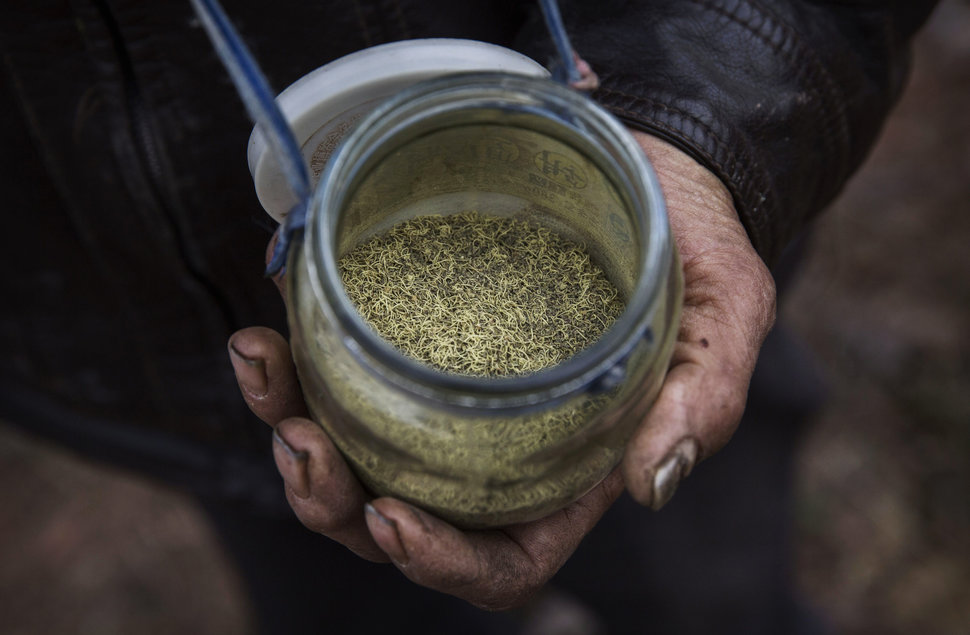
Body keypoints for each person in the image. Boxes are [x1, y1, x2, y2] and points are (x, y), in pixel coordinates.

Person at [0, 1, 938, 632]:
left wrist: (699, 119)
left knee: (710, 583)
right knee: (344, 582)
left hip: (627, 358)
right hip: (122, 339)